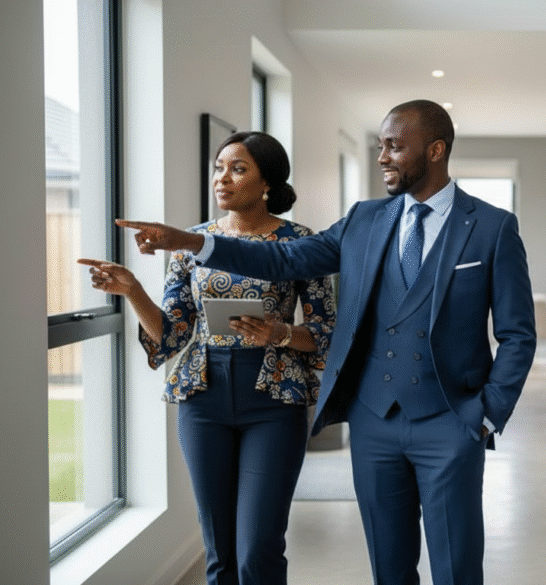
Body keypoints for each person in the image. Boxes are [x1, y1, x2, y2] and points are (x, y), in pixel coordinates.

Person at [115, 99, 537, 585]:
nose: (382, 157)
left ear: (436, 150)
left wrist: (486, 414)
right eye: (380, 146)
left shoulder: (491, 227)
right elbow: (283, 260)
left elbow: (517, 335)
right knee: (389, 568)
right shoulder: (364, 219)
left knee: (456, 568)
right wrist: (192, 243)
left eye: (395, 147)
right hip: (374, 423)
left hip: (451, 421)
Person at [79, 131, 336, 585]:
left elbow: (326, 334)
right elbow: (173, 335)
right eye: (219, 167)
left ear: (267, 184)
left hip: (274, 400)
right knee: (219, 550)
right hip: (203, 398)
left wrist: (279, 333)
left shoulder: (300, 242)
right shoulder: (192, 242)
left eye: (238, 169)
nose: (223, 178)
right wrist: (132, 290)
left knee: (258, 548)